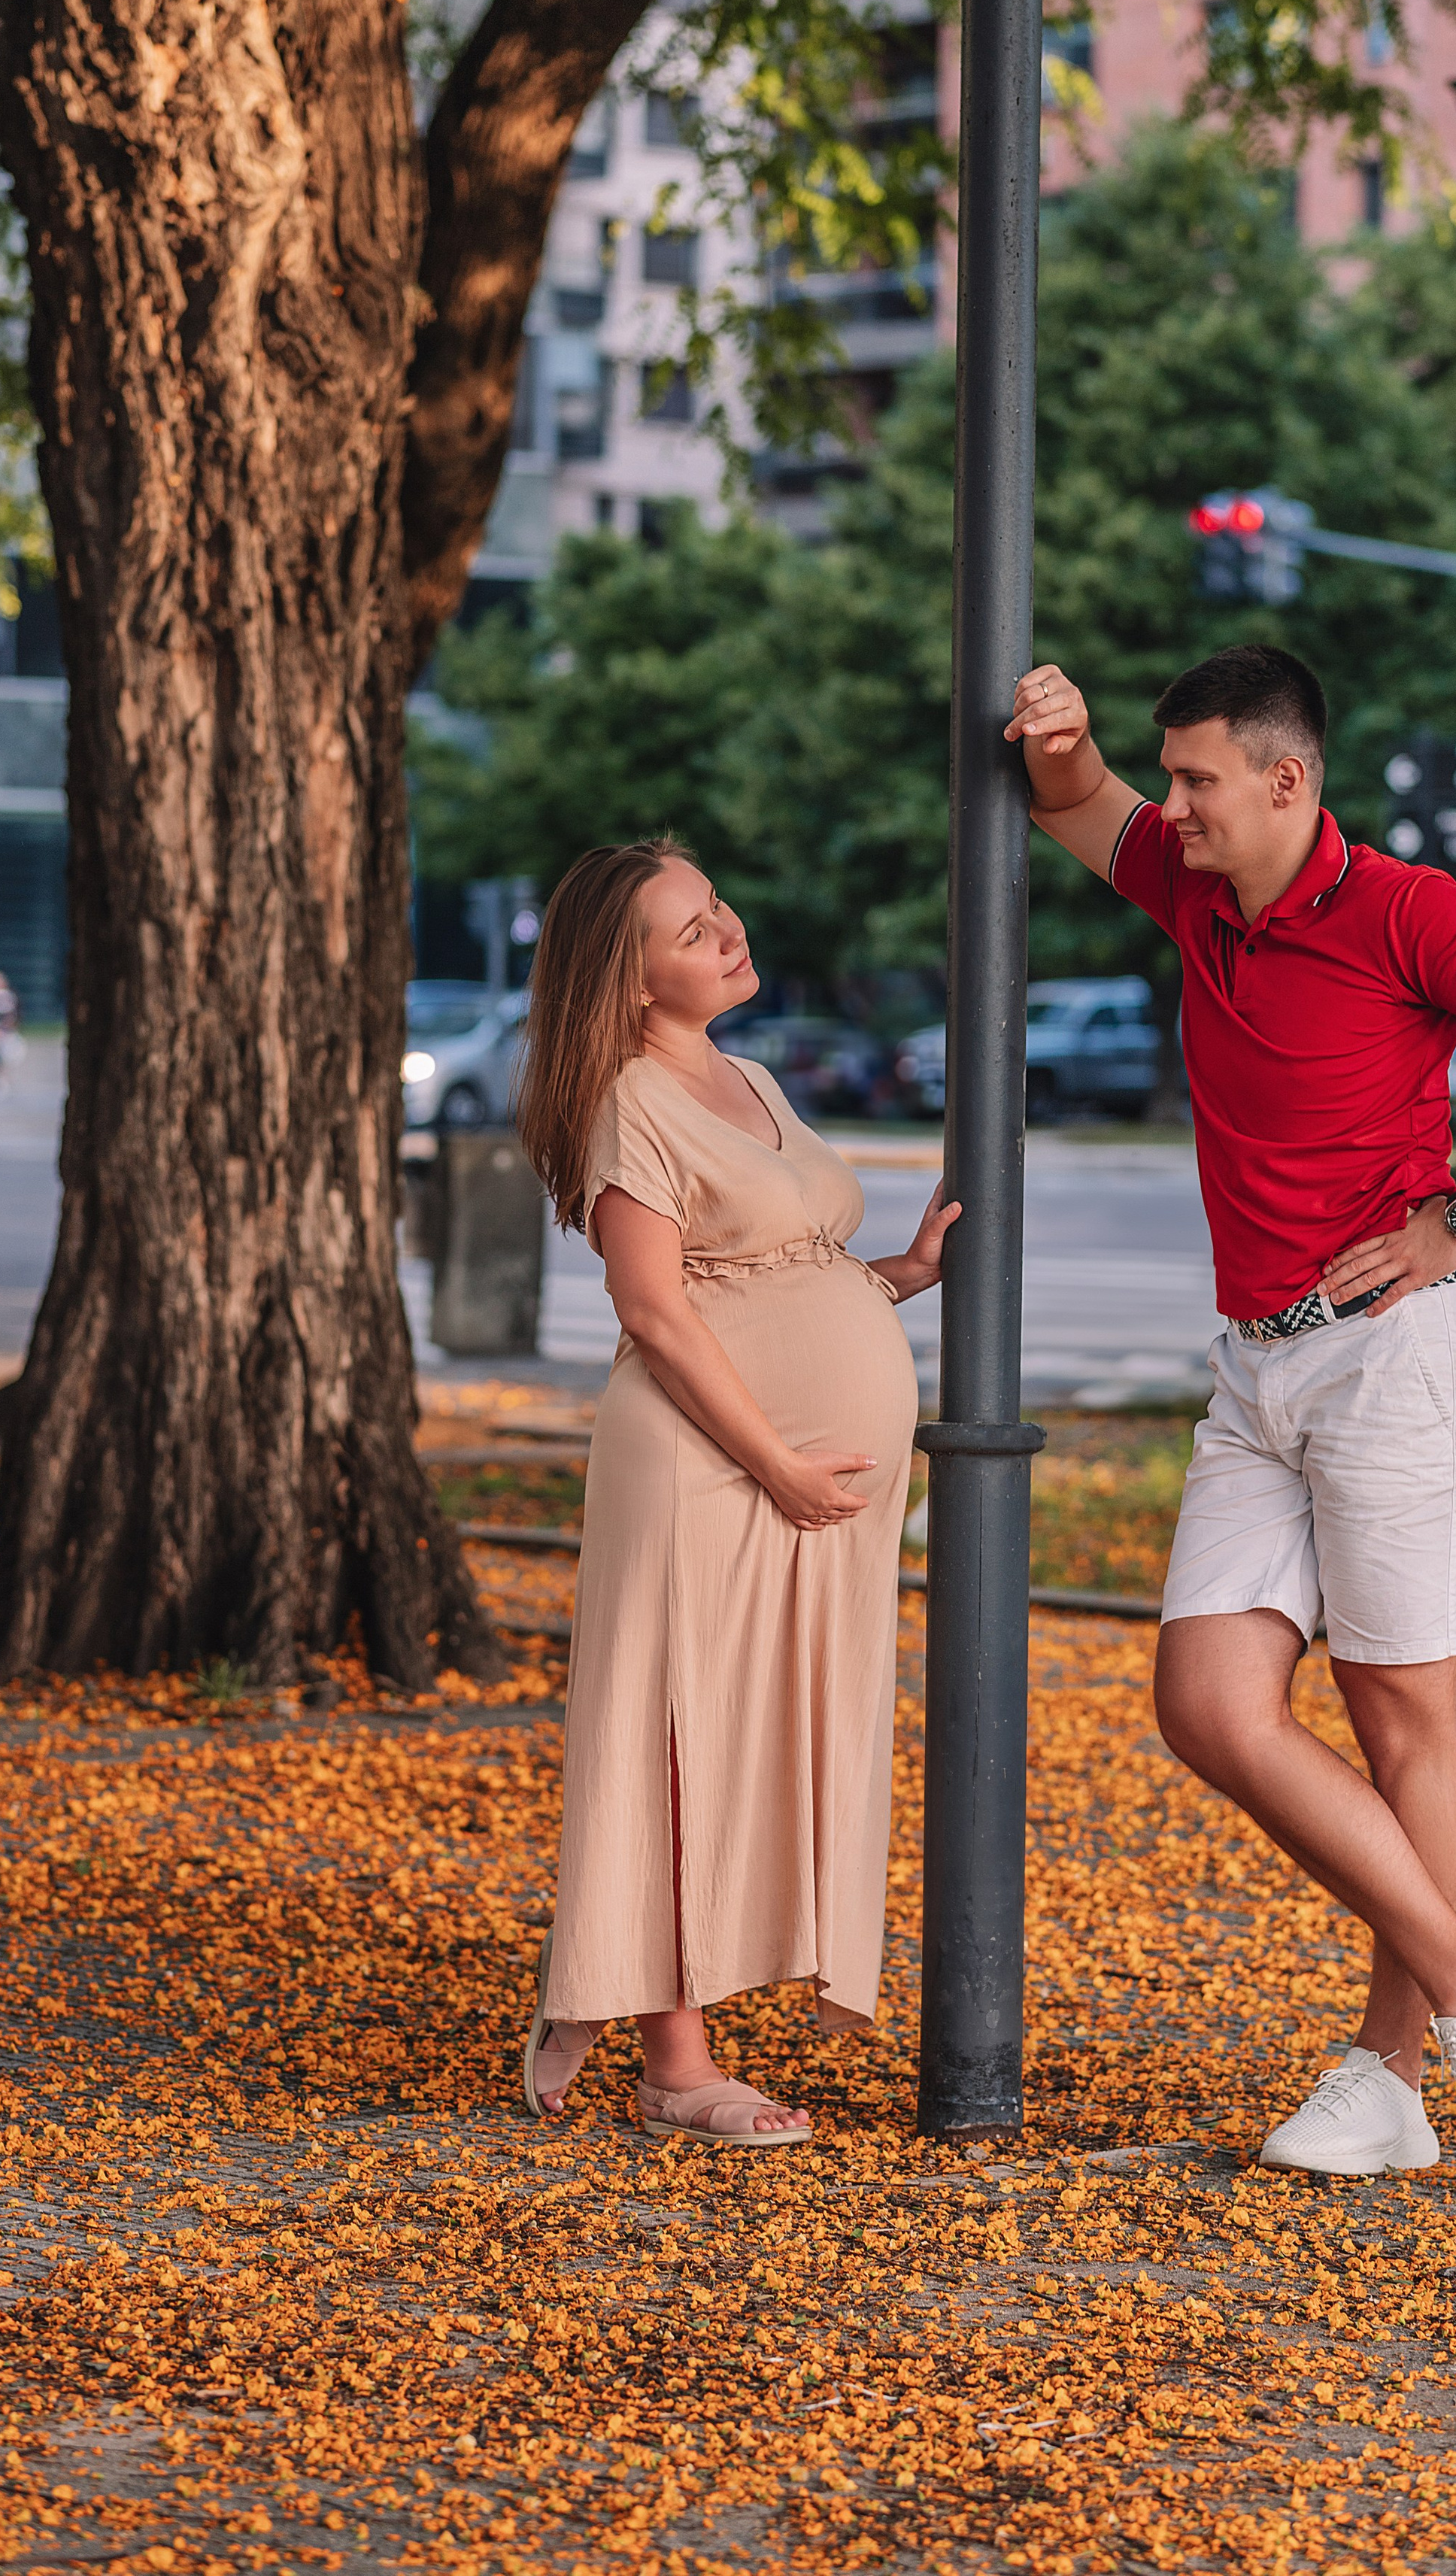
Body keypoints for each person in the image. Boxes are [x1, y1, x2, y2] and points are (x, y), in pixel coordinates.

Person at [1009, 645, 1456, 2190]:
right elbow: (1072, 803)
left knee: (1395, 1714)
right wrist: (1061, 741)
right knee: (1209, 1704)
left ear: (1284, 781)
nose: (1172, 808)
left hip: (1398, 1353)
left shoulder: (1401, 910)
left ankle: (1387, 2074)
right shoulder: (1190, 882)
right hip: (1256, 1364)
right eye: (1171, 779)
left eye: (1197, 780)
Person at [513, 836, 958, 2147]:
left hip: (798, 1478)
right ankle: (672, 2062)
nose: (728, 932)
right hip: (709, 1469)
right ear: (631, 976)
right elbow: (653, 1303)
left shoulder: (748, 1075)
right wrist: (776, 1462)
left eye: (718, 910)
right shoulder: (623, 1102)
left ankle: (631, 2005)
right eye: (692, 928)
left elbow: (770, 1269)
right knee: (679, 1736)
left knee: (759, 1729)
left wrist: (902, 1272)